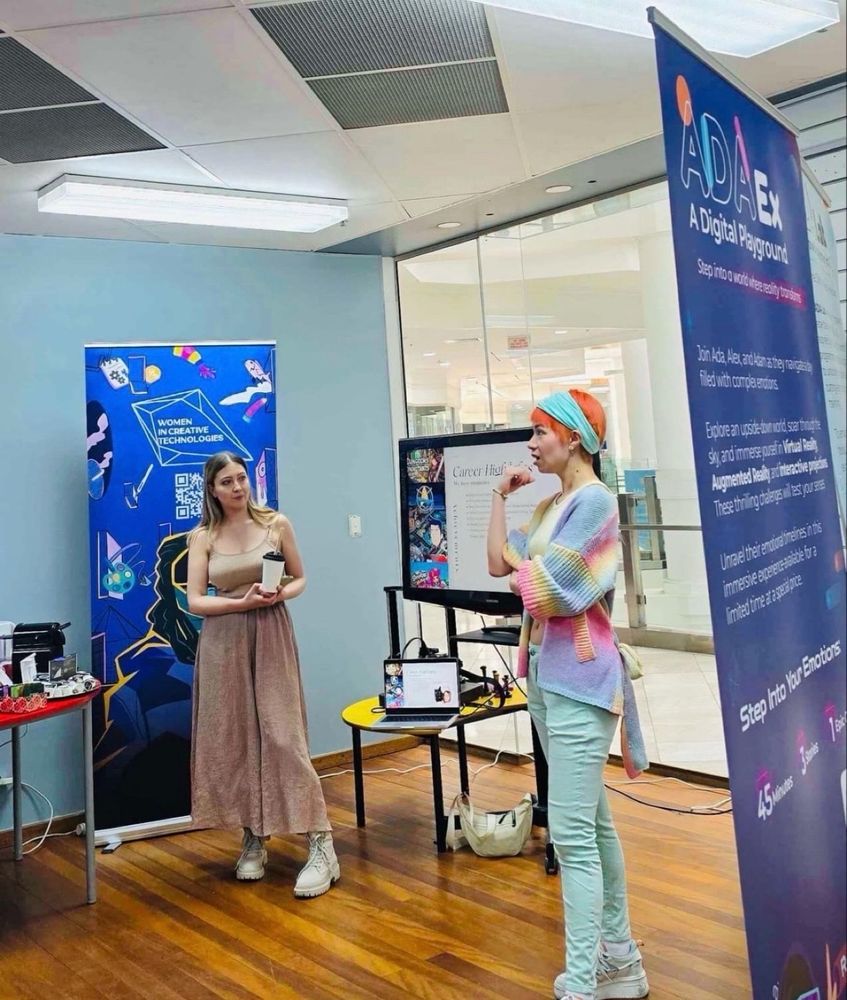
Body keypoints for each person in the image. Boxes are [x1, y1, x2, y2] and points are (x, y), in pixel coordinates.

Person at [486, 390, 649, 1000]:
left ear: (575, 437)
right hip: (547, 678)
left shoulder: (595, 502)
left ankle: (581, 982)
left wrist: (529, 571)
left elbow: (554, 591)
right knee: (593, 827)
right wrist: (500, 498)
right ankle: (621, 961)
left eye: (540, 431)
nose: (530, 443)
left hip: (580, 681)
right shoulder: (553, 505)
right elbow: (500, 567)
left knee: (573, 837)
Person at [186, 451, 339, 897]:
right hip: (223, 640)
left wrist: (276, 596)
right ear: (212, 489)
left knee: (283, 735)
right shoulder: (203, 537)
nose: (238, 487)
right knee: (233, 736)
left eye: (241, 478)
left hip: (270, 632)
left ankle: (321, 842)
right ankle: (253, 834)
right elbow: (196, 600)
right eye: (227, 482)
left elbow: (300, 578)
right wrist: (240, 603)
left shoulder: (276, 524)